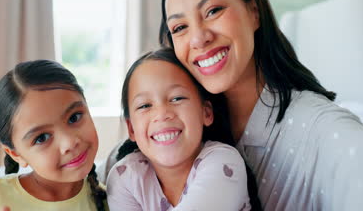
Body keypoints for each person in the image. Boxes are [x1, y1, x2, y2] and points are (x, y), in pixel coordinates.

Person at [158, 0, 363, 210]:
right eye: (180, 27)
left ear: (254, 12)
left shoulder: (319, 128)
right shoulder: (180, 125)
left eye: (213, 11)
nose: (199, 38)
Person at [106, 48, 256, 211]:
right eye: (145, 106)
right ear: (132, 129)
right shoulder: (124, 177)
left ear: (206, 112)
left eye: (177, 98)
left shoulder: (223, 162)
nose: (162, 114)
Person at [0, 60, 107, 211]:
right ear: (16, 154)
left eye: (74, 117)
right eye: (42, 138)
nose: (69, 143)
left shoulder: (114, 199)